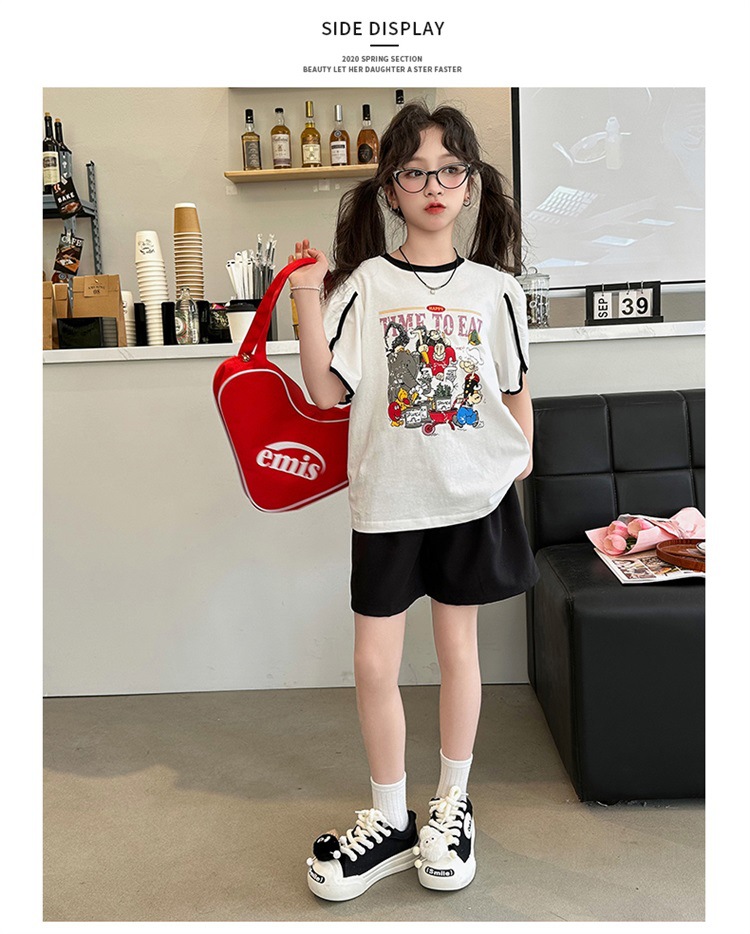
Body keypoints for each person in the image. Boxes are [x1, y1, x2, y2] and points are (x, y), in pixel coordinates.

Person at [289, 101, 539, 902]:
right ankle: (392, 817)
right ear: (390, 188)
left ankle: (451, 806)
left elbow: (514, 388)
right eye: (416, 172)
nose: (434, 185)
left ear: (470, 183)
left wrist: (519, 460)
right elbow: (326, 391)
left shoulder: (497, 290)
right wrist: (306, 296)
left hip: (468, 496)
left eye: (449, 170)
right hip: (389, 499)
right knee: (374, 662)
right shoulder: (365, 283)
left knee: (459, 650)